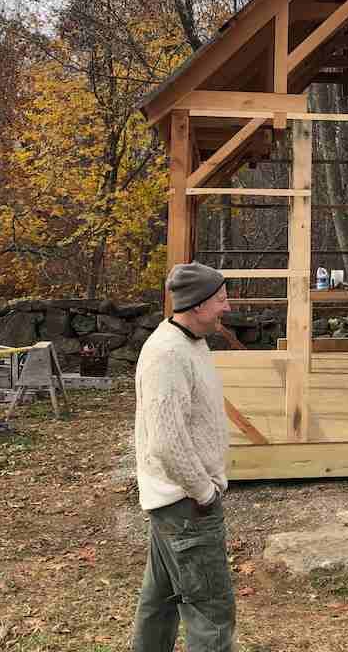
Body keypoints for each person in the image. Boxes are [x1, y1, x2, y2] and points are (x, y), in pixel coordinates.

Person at [132, 262, 236, 652]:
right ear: (196, 305)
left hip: (175, 503)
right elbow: (166, 440)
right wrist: (204, 493)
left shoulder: (190, 341)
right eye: (221, 301)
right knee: (212, 609)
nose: (227, 308)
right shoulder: (167, 354)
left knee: (159, 603)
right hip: (186, 505)